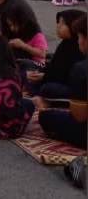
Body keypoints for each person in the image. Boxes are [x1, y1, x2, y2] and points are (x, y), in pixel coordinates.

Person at [37, 14, 88, 148]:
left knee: (45, 117)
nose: (78, 41)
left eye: (80, 37)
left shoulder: (81, 69)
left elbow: (79, 116)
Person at [29, 10, 87, 99]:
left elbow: (67, 77)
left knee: (47, 88)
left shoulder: (79, 50)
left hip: (72, 89)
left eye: (63, 23)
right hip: (55, 79)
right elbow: (55, 67)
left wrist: (44, 77)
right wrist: (43, 74)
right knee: (26, 64)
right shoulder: (65, 44)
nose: (58, 26)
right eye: (58, 22)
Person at [1, 4, 48, 69]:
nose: (12, 28)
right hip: (20, 62)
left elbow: (42, 54)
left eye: (13, 25)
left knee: (21, 63)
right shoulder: (14, 33)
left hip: (35, 64)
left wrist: (23, 45)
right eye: (10, 25)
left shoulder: (36, 33)